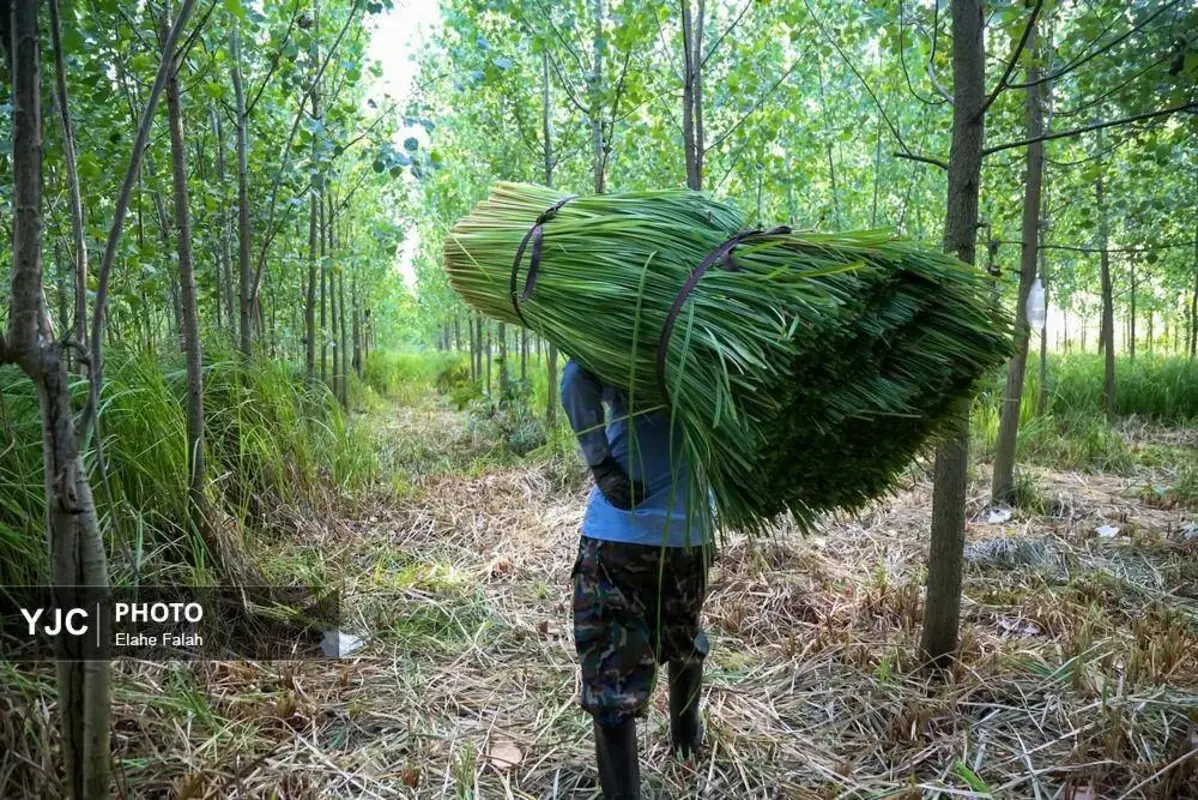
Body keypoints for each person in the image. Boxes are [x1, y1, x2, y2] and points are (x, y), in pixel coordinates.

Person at [560, 357, 714, 799]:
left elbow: (575, 379)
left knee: (612, 680)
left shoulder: (629, 337)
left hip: (620, 536)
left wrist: (603, 466)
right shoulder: (705, 341)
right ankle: (687, 740)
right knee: (682, 637)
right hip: (691, 534)